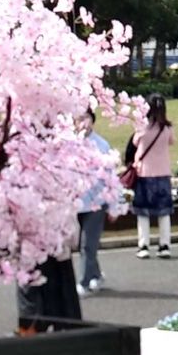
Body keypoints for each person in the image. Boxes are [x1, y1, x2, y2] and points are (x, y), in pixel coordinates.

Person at [76, 109, 119, 296]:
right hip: (77, 203)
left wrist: (114, 205)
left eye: (85, 118)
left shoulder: (101, 145)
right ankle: (96, 275)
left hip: (97, 202)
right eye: (78, 119)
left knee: (87, 244)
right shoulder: (69, 143)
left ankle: (84, 282)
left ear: (92, 120)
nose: (82, 123)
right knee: (85, 245)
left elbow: (111, 177)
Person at [131, 93, 175, 259]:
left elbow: (135, 142)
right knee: (164, 212)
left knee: (143, 212)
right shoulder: (167, 128)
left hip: (144, 173)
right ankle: (165, 245)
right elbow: (172, 141)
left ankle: (144, 245)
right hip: (163, 173)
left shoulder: (141, 128)